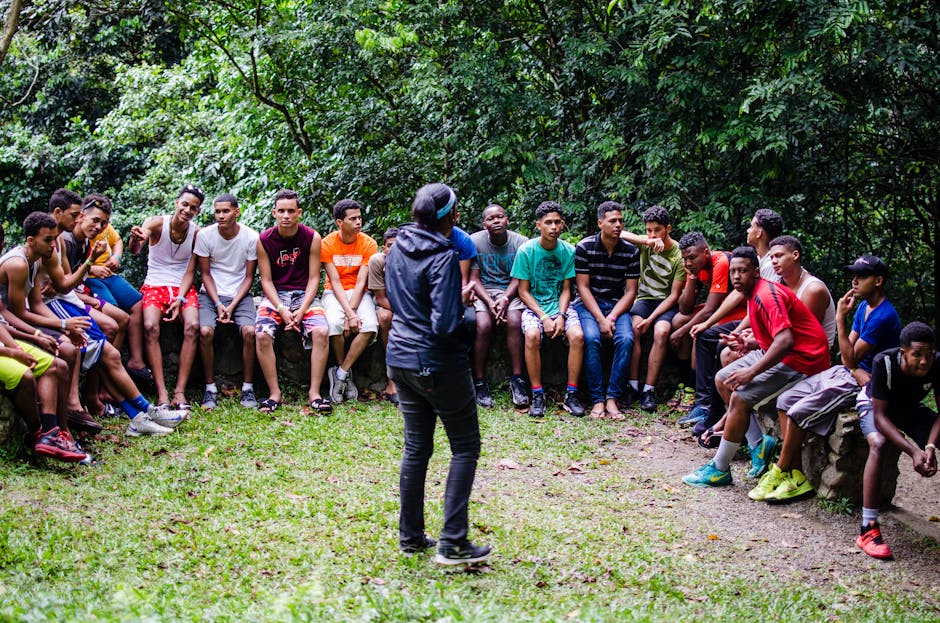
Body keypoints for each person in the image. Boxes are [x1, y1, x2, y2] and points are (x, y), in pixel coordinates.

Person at [385, 182, 492, 565]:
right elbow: (445, 323)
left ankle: (411, 536)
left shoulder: (398, 246)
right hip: (437, 362)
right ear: (451, 218)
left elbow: (400, 301)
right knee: (465, 446)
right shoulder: (444, 257)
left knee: (417, 447)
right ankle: (453, 543)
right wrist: (462, 308)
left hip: (399, 356)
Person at [2, 212, 183, 437]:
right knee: (91, 350)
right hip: (22, 323)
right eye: (48, 240)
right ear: (31, 240)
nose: (53, 244)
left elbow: (41, 299)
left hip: (48, 313)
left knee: (108, 353)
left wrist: (63, 323)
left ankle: (142, 413)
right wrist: (60, 325)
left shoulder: (41, 256)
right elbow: (20, 312)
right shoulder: (19, 263)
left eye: (53, 238)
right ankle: (79, 417)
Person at [682, 246, 830, 488]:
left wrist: (751, 372)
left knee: (740, 397)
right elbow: (773, 335)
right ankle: (759, 447)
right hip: (786, 353)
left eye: (743, 271)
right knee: (723, 379)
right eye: (733, 272)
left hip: (803, 360)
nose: (737, 277)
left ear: (757, 272)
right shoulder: (753, 294)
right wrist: (748, 342)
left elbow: (786, 340)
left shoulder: (766, 295)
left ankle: (719, 469)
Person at [683, 210, 784, 426]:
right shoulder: (758, 259)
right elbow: (738, 294)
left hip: (765, 324)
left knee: (721, 345)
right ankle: (703, 404)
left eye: (751, 226)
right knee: (706, 335)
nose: (748, 229)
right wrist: (706, 324)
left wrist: (736, 332)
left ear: (761, 232)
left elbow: (759, 306)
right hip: (754, 319)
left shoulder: (771, 265)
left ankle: (717, 414)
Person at [854, 322, 939, 559]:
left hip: (910, 408)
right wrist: (914, 452)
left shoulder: (937, 363)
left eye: (929, 355)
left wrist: (930, 446)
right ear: (903, 353)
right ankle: (868, 528)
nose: (925, 361)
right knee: (879, 444)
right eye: (918, 355)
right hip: (874, 406)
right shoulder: (885, 362)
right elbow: (880, 417)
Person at [254, 189, 331, 413]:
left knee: (321, 332)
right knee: (261, 334)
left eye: (290, 211)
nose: (286, 215)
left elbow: (315, 277)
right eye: (281, 211)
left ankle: (314, 393)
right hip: (276, 296)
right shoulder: (265, 240)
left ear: (299, 213)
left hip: (303, 295)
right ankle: (274, 393)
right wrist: (281, 309)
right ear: (274, 213)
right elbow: (266, 281)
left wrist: (302, 308)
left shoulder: (311, 237)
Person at [129, 183, 204, 409]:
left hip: (182, 287)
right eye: (185, 204)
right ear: (176, 203)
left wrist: (180, 299)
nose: (187, 210)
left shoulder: (197, 233)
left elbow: (192, 271)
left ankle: (179, 392)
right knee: (151, 325)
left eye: (193, 208)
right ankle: (162, 392)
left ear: (197, 211)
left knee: (192, 326)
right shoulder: (156, 224)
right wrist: (136, 238)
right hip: (154, 284)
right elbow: (135, 250)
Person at [511, 201, 584, 417]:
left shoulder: (568, 251)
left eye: (557, 222)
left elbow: (566, 289)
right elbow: (523, 292)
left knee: (578, 336)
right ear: (539, 225)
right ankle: (537, 393)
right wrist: (543, 316)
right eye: (548, 223)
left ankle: (571, 394)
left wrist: (561, 316)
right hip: (536, 307)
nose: (554, 227)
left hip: (561, 306)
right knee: (532, 335)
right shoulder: (526, 251)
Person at [190, 193, 259, 410]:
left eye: (226, 211)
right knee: (205, 332)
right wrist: (219, 303)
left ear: (236, 212)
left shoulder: (250, 237)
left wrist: (232, 304)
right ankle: (210, 389)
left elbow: (249, 277)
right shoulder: (205, 236)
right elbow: (205, 274)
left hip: (240, 294)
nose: (220, 216)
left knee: (249, 332)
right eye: (217, 211)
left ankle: (248, 387)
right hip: (211, 295)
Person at [668, 232, 747, 415]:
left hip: (736, 310)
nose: (688, 263)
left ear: (706, 252)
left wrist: (681, 333)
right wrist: (692, 277)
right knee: (678, 320)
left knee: (698, 333)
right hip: (719, 307)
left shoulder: (721, 262)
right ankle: (685, 382)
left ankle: (695, 390)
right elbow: (685, 309)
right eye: (685, 259)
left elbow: (710, 310)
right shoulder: (694, 267)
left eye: (693, 258)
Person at [574, 201, 640, 419]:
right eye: (613, 221)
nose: (618, 225)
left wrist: (610, 316)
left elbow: (630, 292)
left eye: (621, 220)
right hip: (589, 304)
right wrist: (600, 318)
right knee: (591, 338)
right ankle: (597, 400)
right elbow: (582, 287)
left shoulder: (631, 251)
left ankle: (612, 398)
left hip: (616, 304)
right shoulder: (585, 247)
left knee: (626, 339)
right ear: (600, 223)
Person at [620, 205, 685, 410]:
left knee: (661, 331)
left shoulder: (678, 255)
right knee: (633, 330)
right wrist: (647, 240)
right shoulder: (646, 244)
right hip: (644, 299)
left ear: (668, 229)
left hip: (665, 303)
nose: (653, 234)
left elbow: (674, 295)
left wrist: (651, 319)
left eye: (657, 230)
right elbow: (620, 233)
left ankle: (649, 389)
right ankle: (632, 386)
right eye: (649, 230)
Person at [81, 200, 150, 385]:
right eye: (97, 220)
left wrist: (116, 257)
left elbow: (117, 240)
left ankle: (136, 360)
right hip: (90, 278)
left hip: (108, 274)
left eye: (104, 222)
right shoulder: (78, 234)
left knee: (137, 302)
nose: (100, 226)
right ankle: (107, 373)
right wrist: (92, 269)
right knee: (113, 309)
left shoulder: (104, 227)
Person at [469, 204, 529, 408]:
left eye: (500, 217)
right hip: (483, 292)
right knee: (483, 325)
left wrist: (504, 299)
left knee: (514, 321)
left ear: (507, 220)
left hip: (511, 291)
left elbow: (519, 277)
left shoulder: (520, 243)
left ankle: (518, 379)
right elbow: (474, 279)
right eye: (490, 218)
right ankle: (479, 381)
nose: (496, 221)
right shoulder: (474, 242)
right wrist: (490, 302)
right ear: (484, 224)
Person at [321, 199, 378, 404]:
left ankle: (341, 374)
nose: (358, 222)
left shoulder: (368, 243)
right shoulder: (326, 243)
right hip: (334, 293)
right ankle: (341, 369)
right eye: (352, 219)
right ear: (339, 222)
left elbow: (363, 281)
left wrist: (351, 313)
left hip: (359, 292)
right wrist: (347, 314)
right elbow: (334, 281)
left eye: (359, 217)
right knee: (335, 325)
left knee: (370, 325)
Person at [368, 227, 400, 404]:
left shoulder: (412, 259)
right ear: (383, 248)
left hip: (410, 306)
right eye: (390, 246)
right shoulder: (377, 261)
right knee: (385, 317)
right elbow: (380, 298)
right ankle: (392, 380)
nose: (394, 249)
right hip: (387, 304)